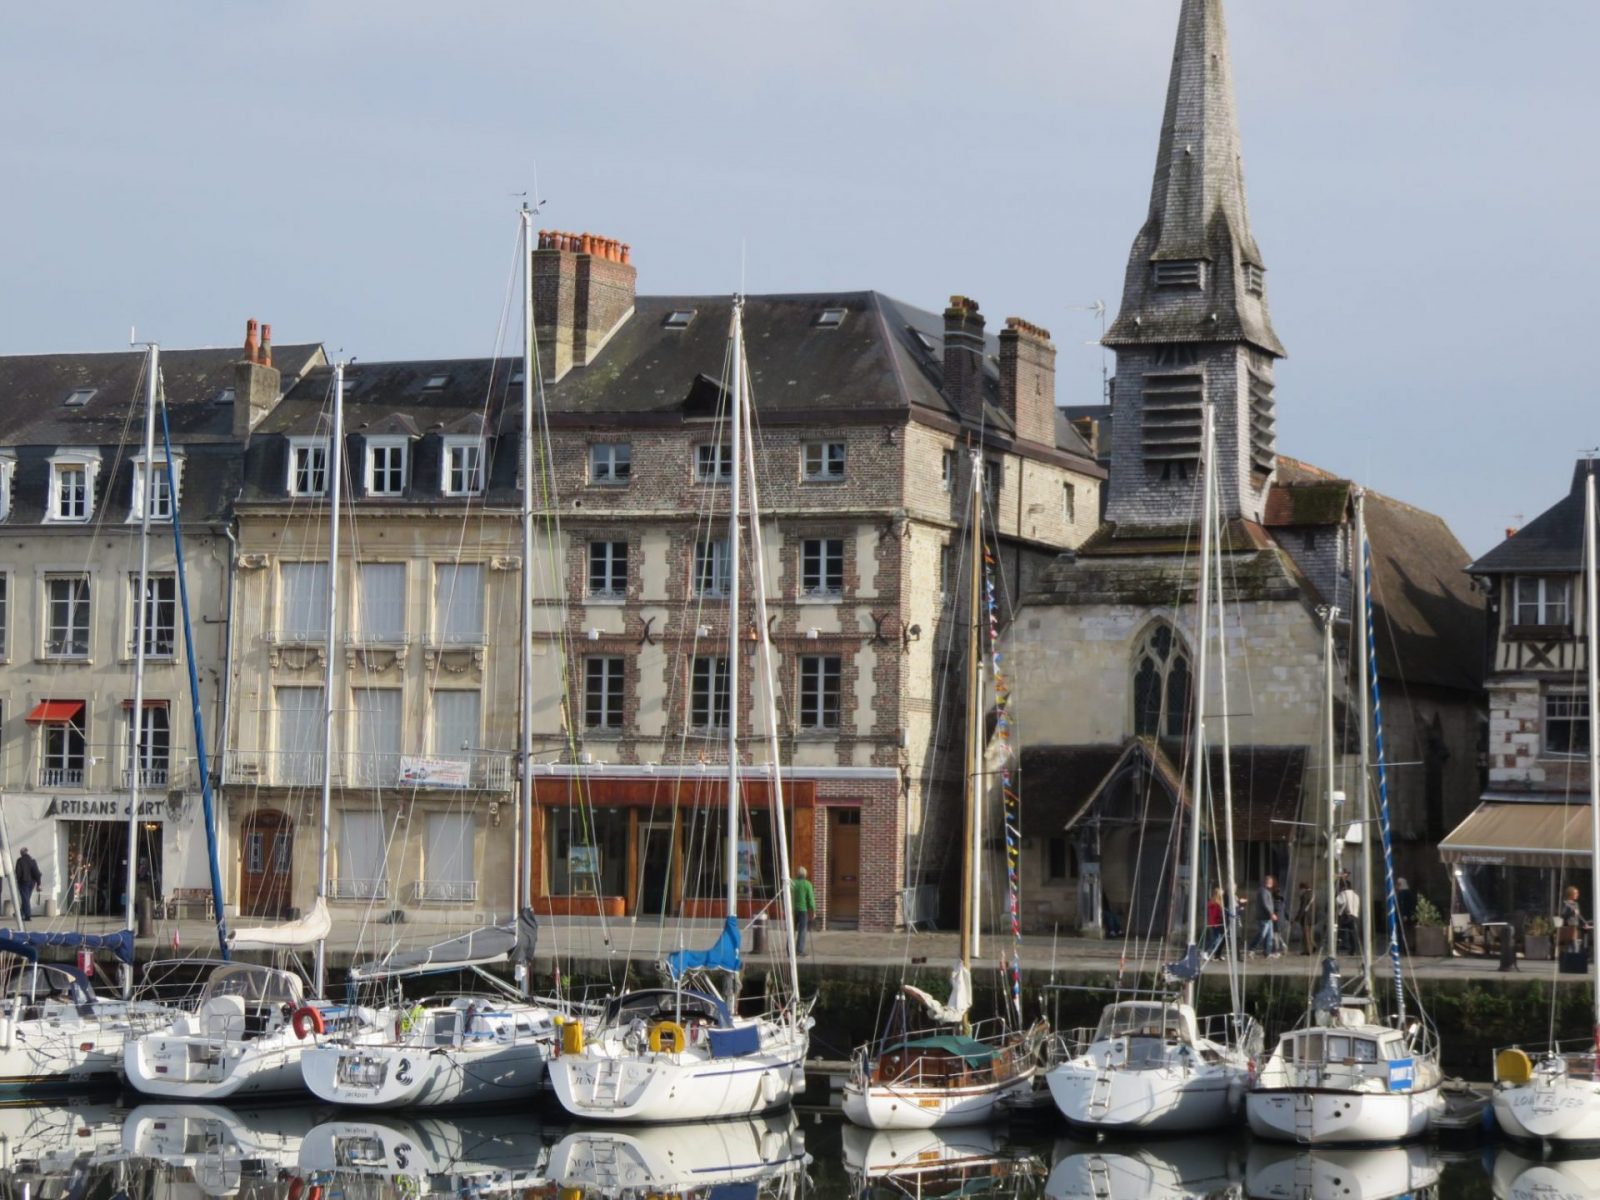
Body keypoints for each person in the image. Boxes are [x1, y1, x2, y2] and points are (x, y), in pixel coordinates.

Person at [1249, 875, 1282, 957]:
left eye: (1271, 882)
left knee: (1269, 936)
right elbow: (1265, 904)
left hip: (1268, 917)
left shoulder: (1267, 891)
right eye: (1269, 882)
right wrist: (1271, 914)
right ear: (1265, 882)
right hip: (1264, 917)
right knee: (1262, 934)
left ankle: (1268, 952)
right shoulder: (1263, 891)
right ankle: (1251, 948)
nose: (1270, 883)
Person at [791, 867, 816, 955]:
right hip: (803, 910)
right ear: (805, 875)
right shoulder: (807, 884)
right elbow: (810, 899)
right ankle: (799, 950)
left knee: (791, 930)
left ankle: (789, 949)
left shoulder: (792, 883)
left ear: (797, 874)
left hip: (793, 910)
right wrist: (812, 911)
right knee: (802, 930)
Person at [14, 849, 42, 923]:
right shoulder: (32, 861)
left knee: (25, 899)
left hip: (23, 882)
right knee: (26, 898)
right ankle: (21, 913)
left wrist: (18, 880)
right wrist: (39, 884)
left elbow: (18, 872)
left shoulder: (19, 861)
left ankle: (28, 915)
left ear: (21, 853)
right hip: (32, 883)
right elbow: (37, 873)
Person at [1336, 878, 1362, 955]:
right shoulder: (1356, 895)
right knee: (1352, 934)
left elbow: (1338, 902)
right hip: (1354, 916)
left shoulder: (1343, 893)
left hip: (1345, 916)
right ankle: (1353, 949)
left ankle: (1337, 947)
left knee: (1338, 932)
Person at [1293, 881, 1317, 955]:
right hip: (1311, 916)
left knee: (1306, 935)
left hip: (1305, 917)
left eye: (1300, 889)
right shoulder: (1313, 894)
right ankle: (1312, 946)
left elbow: (1302, 908)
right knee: (1309, 934)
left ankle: (1308, 950)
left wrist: (1297, 918)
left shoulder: (1305, 895)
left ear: (1303, 888)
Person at [1395, 877, 1417, 951]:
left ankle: (1403, 947)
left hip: (1404, 915)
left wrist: (1405, 914)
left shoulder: (1403, 893)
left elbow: (1404, 904)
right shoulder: (1407, 892)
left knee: (1403, 931)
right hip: (1405, 915)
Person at [1204, 887, 1226, 957]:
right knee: (1215, 938)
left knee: (1218, 938)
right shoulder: (1215, 903)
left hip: (1216, 922)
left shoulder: (1217, 902)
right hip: (1215, 922)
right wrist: (1215, 923)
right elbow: (1213, 914)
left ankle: (1212, 951)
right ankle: (1206, 951)